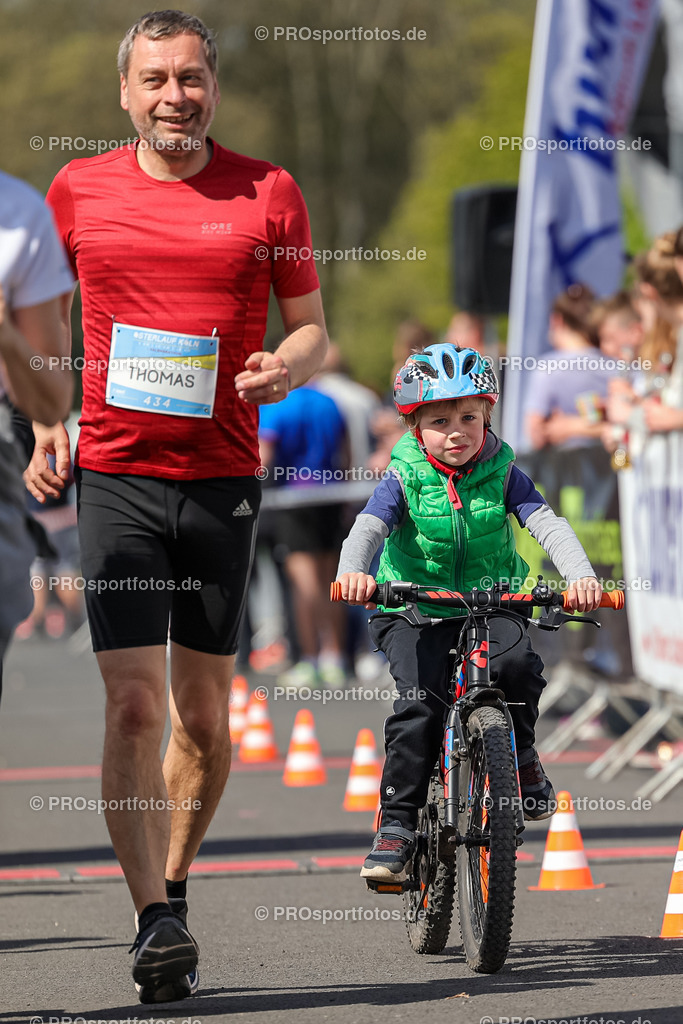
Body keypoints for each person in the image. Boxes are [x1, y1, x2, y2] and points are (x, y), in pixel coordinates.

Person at [24, 10, 327, 1004]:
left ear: (212, 87)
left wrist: (288, 366)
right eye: (154, 80)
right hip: (115, 472)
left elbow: (313, 332)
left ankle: (177, 882)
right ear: (125, 92)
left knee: (200, 717)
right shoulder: (76, 191)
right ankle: (151, 914)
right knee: (133, 704)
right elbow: (40, 313)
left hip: (222, 478)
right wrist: (45, 419)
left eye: (190, 78)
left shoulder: (266, 190)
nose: (173, 97)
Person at [336, 344, 602, 883]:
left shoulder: (504, 471)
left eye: (469, 417)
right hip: (415, 605)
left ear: (487, 416)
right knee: (420, 707)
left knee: (518, 669)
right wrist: (354, 572)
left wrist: (580, 575)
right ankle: (398, 823)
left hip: (493, 598)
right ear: (413, 425)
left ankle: (520, 758)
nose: (456, 431)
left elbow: (546, 522)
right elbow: (369, 527)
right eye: (439, 420)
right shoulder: (404, 475)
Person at [0, 170, 73, 698]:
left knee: (60, 560)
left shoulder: (20, 214)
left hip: (17, 480)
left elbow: (52, 398)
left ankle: (53, 619)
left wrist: (5, 333)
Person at [259, 383, 347, 687]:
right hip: (331, 493)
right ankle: (334, 656)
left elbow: (264, 456)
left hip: (293, 498)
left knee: (304, 582)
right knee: (330, 579)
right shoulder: (329, 401)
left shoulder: (276, 405)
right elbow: (345, 452)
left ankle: (310, 659)